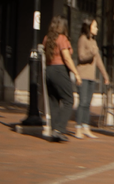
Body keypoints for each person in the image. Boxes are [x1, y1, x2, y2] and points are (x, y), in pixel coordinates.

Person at [44, 15, 81, 143]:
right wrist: (76, 73)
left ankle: (54, 131)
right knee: (69, 99)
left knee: (53, 101)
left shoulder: (47, 38)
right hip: (60, 70)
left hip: (48, 70)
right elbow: (66, 58)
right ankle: (59, 129)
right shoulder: (62, 39)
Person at [75, 18, 109, 139]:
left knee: (88, 103)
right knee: (82, 102)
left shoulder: (93, 42)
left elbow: (98, 60)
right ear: (88, 27)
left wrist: (105, 75)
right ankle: (78, 128)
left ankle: (86, 127)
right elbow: (81, 57)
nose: (97, 29)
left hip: (91, 77)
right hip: (82, 76)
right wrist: (92, 53)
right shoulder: (82, 40)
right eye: (95, 26)